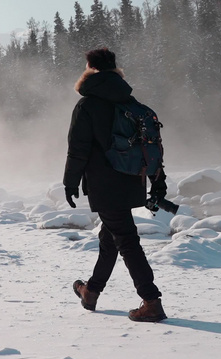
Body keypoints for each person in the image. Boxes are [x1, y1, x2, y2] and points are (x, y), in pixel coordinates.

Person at [63, 48, 167, 322]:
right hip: (133, 179)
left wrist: (70, 182)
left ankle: (151, 302)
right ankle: (91, 291)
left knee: (127, 241)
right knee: (109, 238)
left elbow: (78, 149)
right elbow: (150, 142)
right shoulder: (129, 101)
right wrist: (157, 180)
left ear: (89, 67)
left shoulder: (87, 104)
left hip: (104, 183)